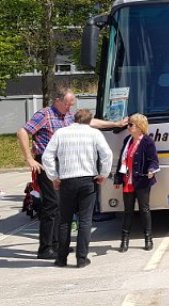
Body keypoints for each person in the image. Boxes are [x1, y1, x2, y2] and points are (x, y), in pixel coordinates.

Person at [16, 86, 126, 260]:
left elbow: (91, 122)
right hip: (47, 162)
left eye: (72, 104)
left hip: (63, 164)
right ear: (58, 101)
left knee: (61, 206)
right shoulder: (44, 115)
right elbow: (22, 131)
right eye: (68, 103)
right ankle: (45, 248)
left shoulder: (67, 116)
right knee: (51, 205)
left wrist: (115, 124)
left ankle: (59, 245)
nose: (70, 107)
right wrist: (29, 158)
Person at [41, 109, 113, 268]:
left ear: (74, 119)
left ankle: (61, 258)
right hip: (88, 179)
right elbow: (107, 155)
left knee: (65, 221)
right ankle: (81, 258)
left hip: (67, 180)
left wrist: (54, 177)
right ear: (90, 120)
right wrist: (103, 174)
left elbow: (47, 156)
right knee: (85, 220)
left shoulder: (60, 133)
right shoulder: (94, 133)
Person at [113, 113, 160, 252]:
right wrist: (118, 178)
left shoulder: (147, 141)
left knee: (144, 210)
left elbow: (154, 160)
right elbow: (121, 160)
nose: (128, 127)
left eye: (131, 125)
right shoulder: (127, 140)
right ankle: (124, 241)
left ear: (139, 127)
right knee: (127, 211)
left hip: (142, 181)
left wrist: (151, 169)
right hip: (128, 180)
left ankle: (148, 239)